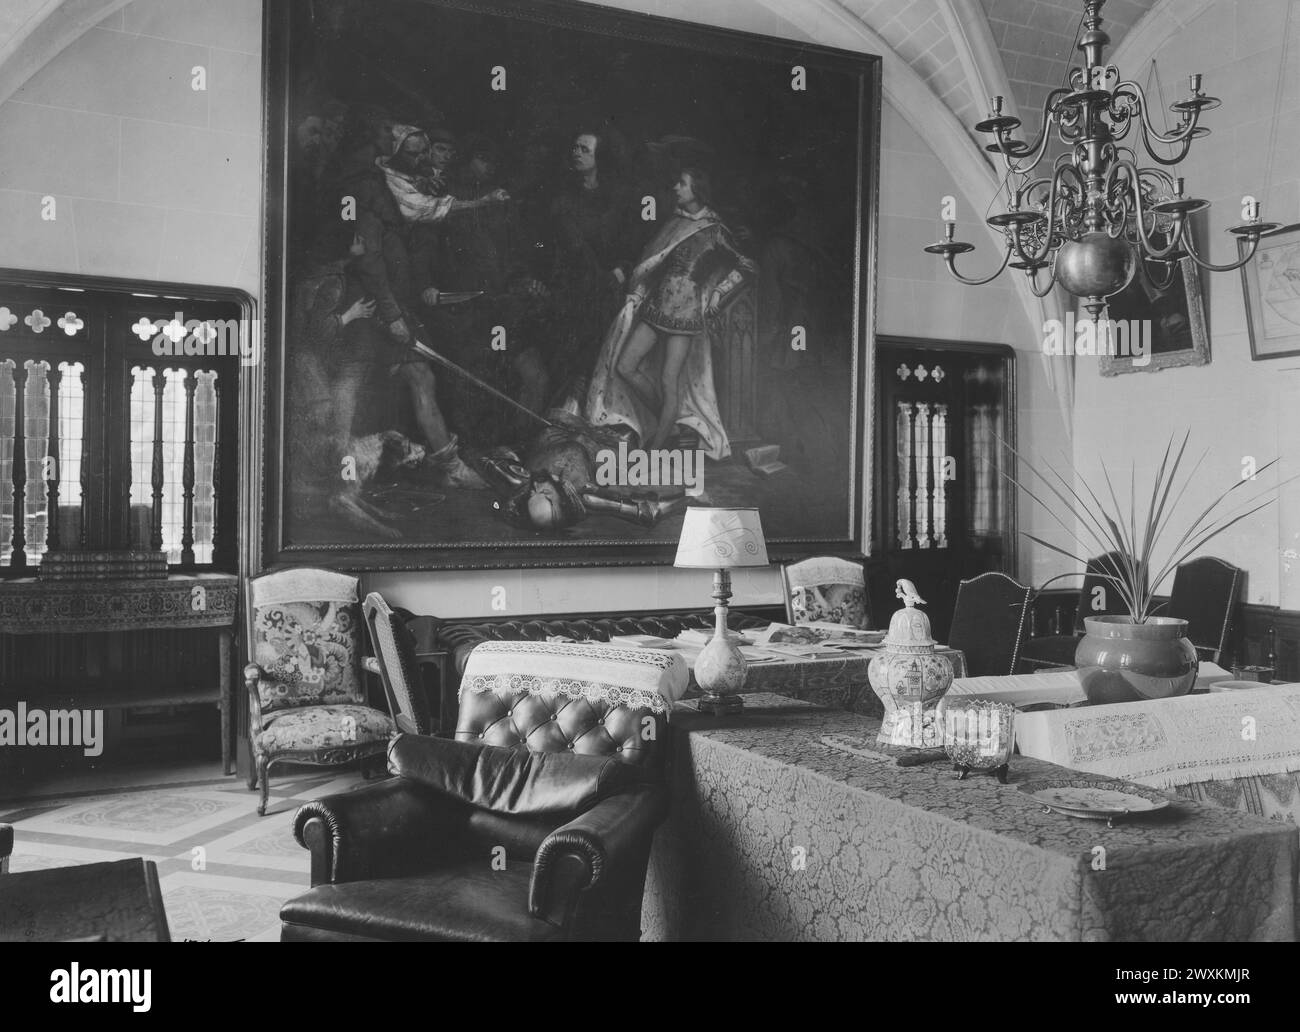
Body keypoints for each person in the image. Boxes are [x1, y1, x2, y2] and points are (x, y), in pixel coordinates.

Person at [586, 167, 753, 459]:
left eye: (682, 183)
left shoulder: (714, 229)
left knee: (668, 379)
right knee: (625, 366)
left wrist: (718, 293)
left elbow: (747, 266)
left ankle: (657, 446)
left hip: (686, 316)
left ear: (697, 189)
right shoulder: (674, 222)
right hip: (656, 306)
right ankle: (670, 421)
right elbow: (655, 263)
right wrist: (637, 293)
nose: (676, 188)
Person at [545, 129, 639, 393]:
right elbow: (567, 250)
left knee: (602, 358)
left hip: (607, 291)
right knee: (568, 362)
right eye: (575, 148)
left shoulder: (619, 199)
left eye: (584, 149)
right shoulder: (562, 200)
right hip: (571, 290)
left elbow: (631, 244)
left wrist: (619, 273)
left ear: (601, 156)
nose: (576, 153)